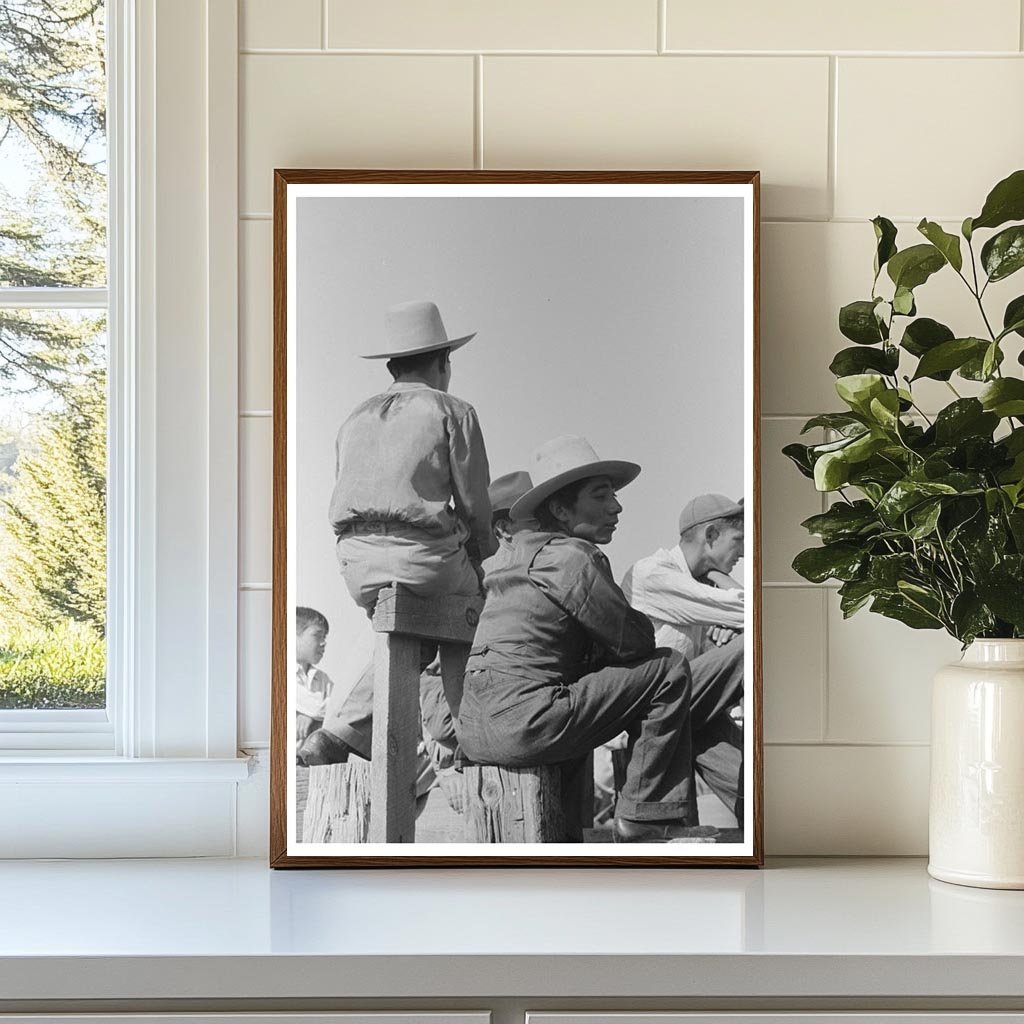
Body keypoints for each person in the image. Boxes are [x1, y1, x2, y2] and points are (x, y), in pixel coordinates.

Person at [457, 435, 739, 843]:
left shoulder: (509, 559)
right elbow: (636, 643)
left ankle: (573, 833)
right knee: (669, 668)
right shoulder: (572, 556)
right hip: (526, 724)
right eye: (601, 495)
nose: (616, 507)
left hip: (475, 733)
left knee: (572, 692)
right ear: (558, 507)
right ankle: (644, 814)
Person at [299, 299, 495, 767]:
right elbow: (474, 506)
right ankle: (468, 738)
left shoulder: (354, 417)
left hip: (356, 562)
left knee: (417, 628)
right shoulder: (452, 409)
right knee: (475, 610)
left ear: (392, 365)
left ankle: (341, 732)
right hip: (422, 556)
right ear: (443, 363)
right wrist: (481, 553)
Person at [620, 493, 746, 822]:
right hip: (650, 705)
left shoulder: (693, 584)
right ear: (711, 535)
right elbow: (751, 610)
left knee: (753, 790)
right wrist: (721, 581)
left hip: (683, 706)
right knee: (753, 643)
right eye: (739, 540)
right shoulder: (653, 574)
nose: (744, 552)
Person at [294, 606, 334, 746]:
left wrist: (307, 715)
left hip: (313, 763)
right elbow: (318, 707)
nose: (323, 643)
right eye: (317, 635)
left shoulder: (323, 680)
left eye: (325, 637)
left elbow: (337, 710)